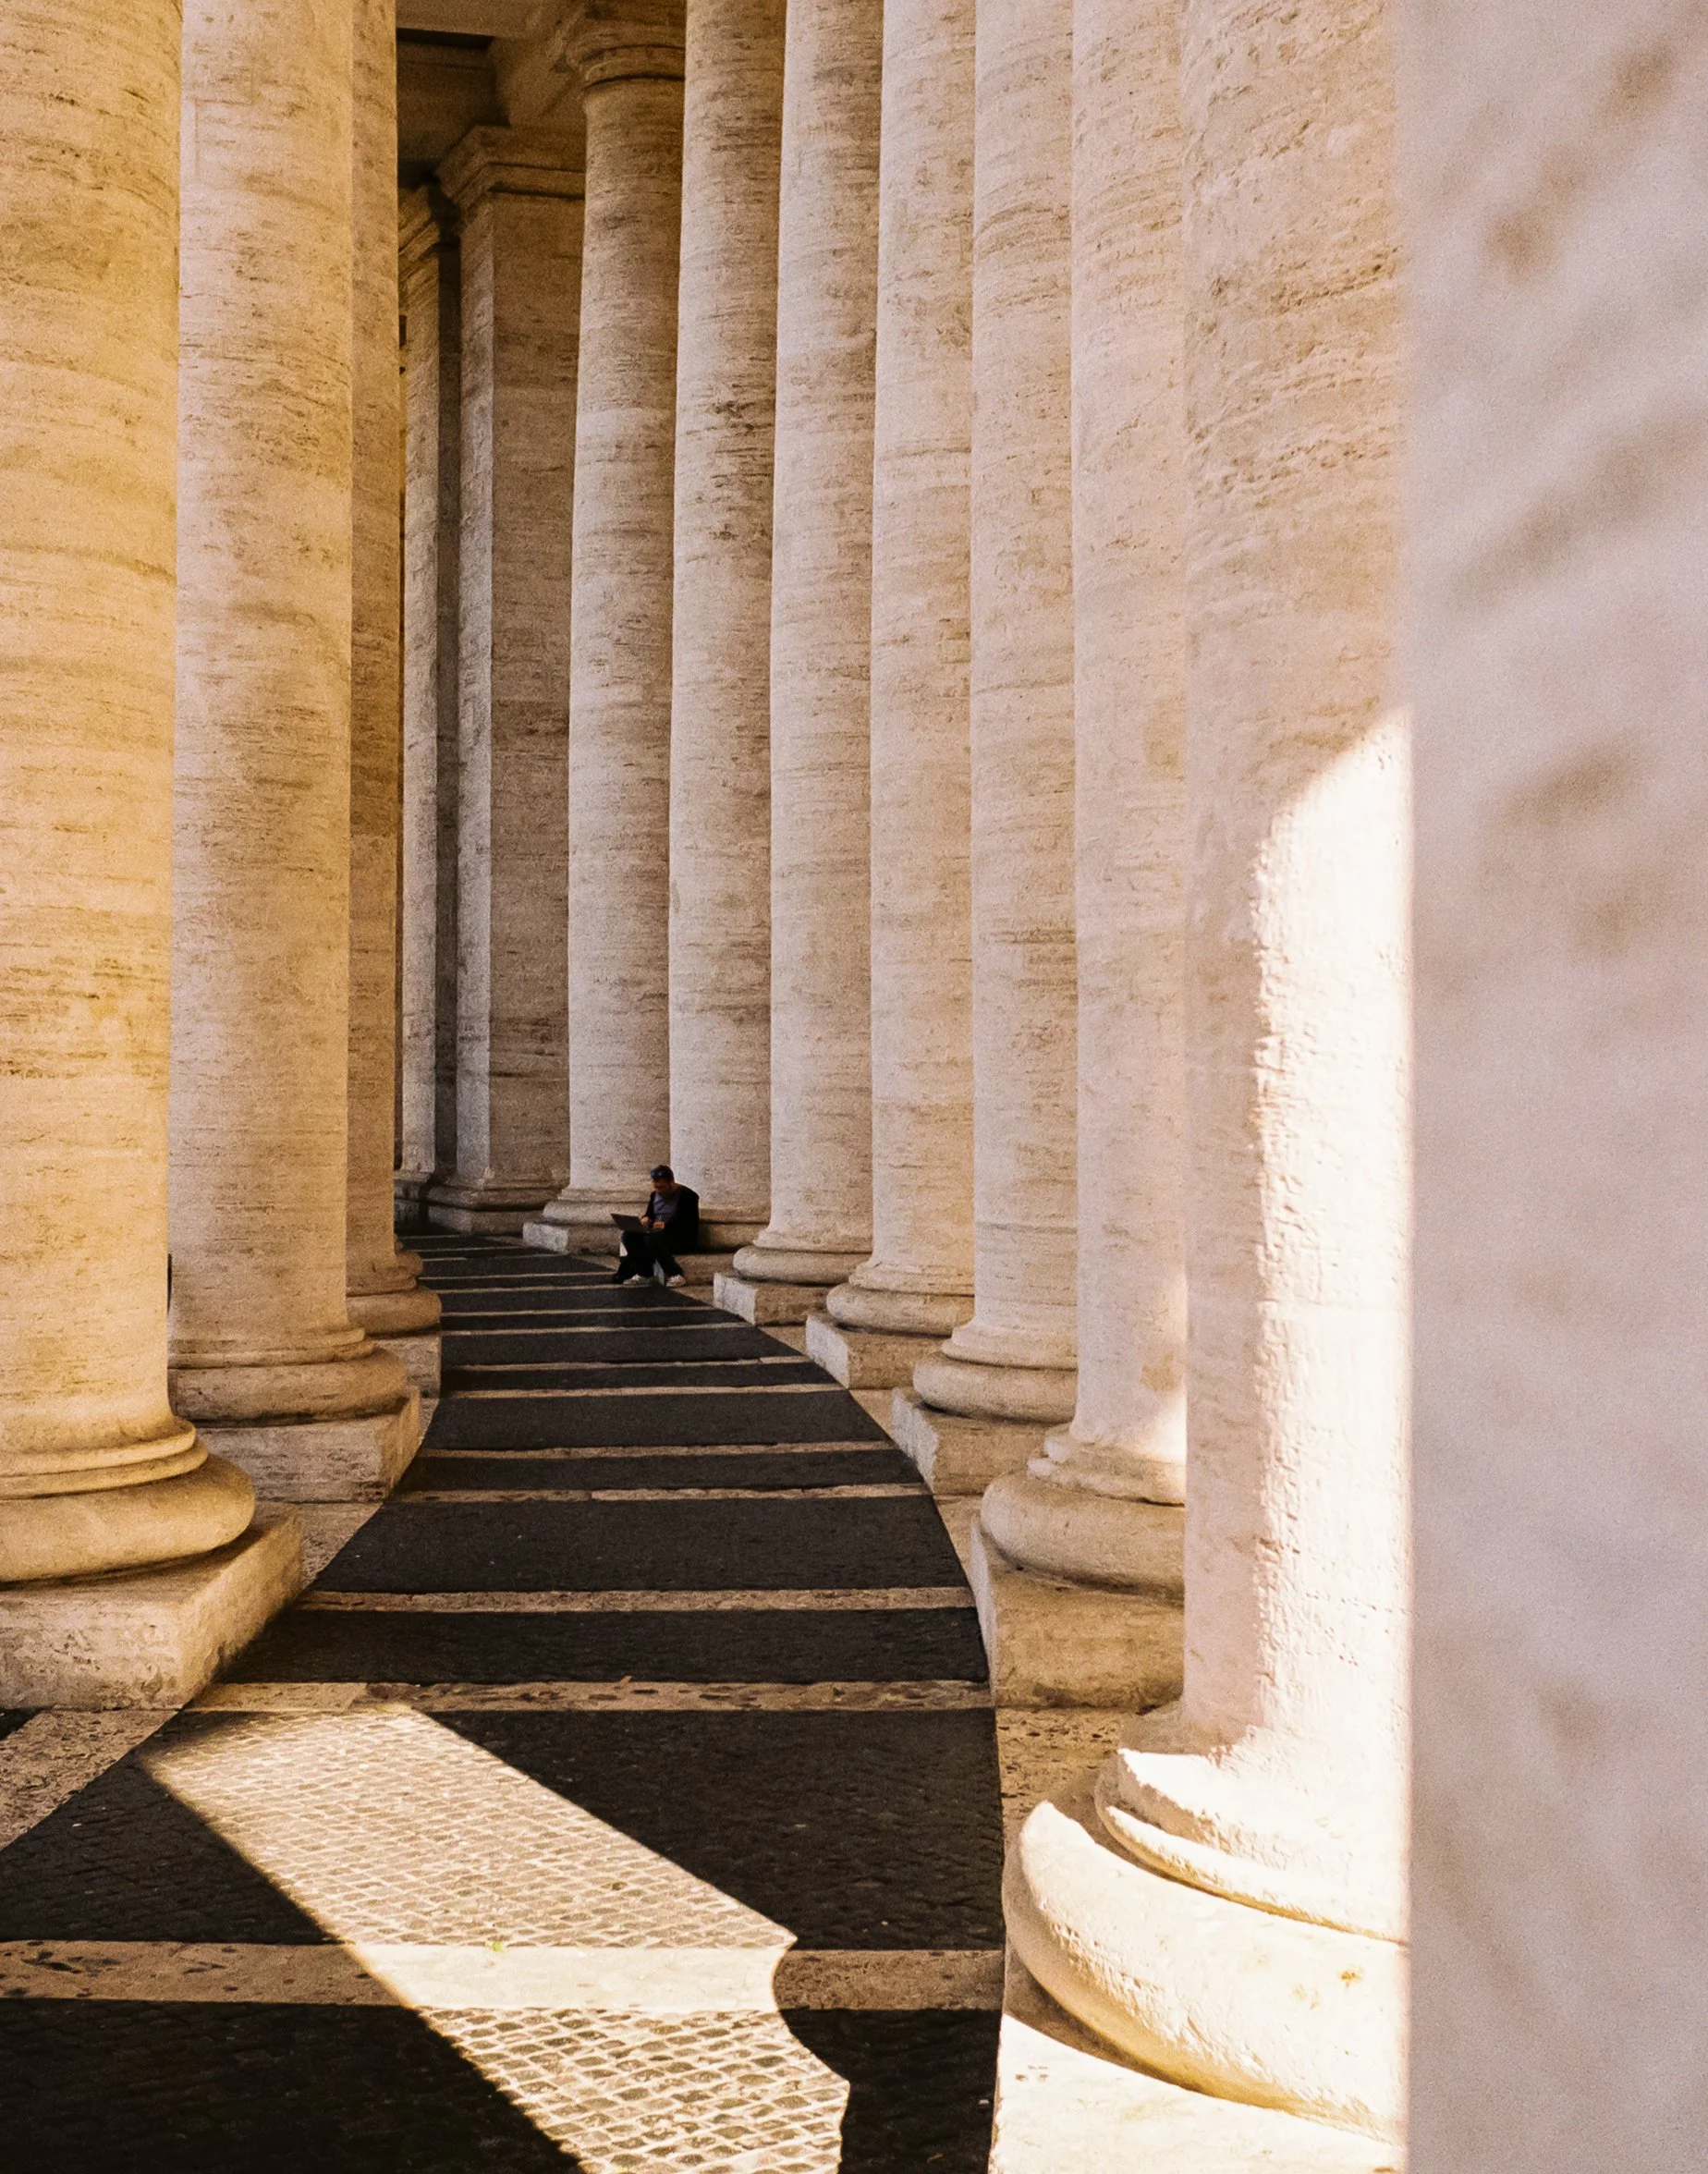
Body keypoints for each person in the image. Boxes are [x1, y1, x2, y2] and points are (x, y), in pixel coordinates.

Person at [613, 1166, 701, 1286]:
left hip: (679, 1235)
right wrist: (646, 1219)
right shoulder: (655, 1195)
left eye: (661, 1187)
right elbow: (650, 1214)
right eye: (656, 1187)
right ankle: (645, 1273)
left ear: (671, 1183)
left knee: (652, 1238)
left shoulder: (687, 1196)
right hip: (657, 1232)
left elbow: (688, 1223)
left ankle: (675, 1274)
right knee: (628, 1236)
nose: (659, 1191)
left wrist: (666, 1225)